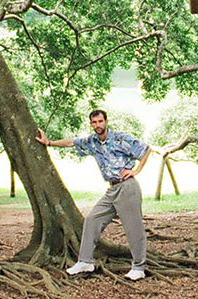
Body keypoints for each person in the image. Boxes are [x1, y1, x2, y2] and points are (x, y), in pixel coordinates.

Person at [36, 108, 151, 280]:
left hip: (127, 188)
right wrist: (49, 143)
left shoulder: (120, 138)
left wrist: (136, 170)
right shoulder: (92, 142)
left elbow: (146, 149)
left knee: (133, 227)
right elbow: (72, 142)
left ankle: (139, 267)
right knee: (92, 220)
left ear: (106, 122)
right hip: (112, 189)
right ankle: (85, 262)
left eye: (100, 121)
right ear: (91, 124)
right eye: (94, 122)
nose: (98, 125)